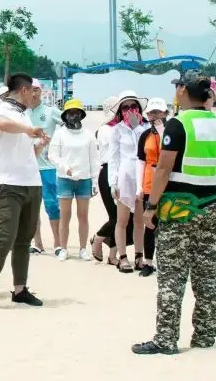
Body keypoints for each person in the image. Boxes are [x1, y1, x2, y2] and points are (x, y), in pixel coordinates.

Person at [133, 71, 216, 355]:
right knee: (206, 275)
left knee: (172, 277)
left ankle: (165, 339)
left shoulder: (178, 124)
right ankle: (205, 335)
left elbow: (163, 169)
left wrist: (151, 206)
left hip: (179, 208)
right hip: (210, 204)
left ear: (184, 91)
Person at [0, 73, 47, 309]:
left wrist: (40, 145)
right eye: (33, 91)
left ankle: (20, 289)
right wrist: (28, 130)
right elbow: (2, 125)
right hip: (9, 184)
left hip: (32, 182)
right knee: (4, 238)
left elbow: (28, 153)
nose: (35, 95)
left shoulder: (24, 114)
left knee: (24, 240)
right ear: (23, 90)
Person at [47, 98, 99, 261]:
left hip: (84, 180)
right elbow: (52, 155)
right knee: (65, 215)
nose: (74, 115)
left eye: (77, 112)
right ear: (65, 115)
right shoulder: (60, 133)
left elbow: (94, 159)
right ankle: (63, 248)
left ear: (81, 115)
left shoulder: (88, 135)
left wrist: (95, 182)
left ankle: (83, 249)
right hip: (65, 179)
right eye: (70, 113)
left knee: (83, 216)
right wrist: (64, 167)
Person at [108, 90, 148, 273]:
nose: (130, 110)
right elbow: (113, 158)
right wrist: (113, 182)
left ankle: (139, 256)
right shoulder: (117, 130)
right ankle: (122, 257)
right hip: (124, 176)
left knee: (139, 220)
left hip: (141, 175)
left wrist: (137, 127)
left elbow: (145, 149)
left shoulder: (146, 128)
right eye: (125, 107)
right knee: (122, 220)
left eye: (133, 106)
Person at [26, 80, 63, 256]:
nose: (33, 94)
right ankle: (38, 243)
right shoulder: (21, 114)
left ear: (41, 92)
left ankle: (58, 242)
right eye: (30, 90)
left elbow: (70, 124)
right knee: (31, 208)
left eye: (36, 90)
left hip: (48, 167)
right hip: (28, 167)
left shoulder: (51, 111)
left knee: (52, 205)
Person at [134, 98, 169, 277]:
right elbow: (140, 161)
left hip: (168, 184)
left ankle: (167, 262)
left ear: (165, 113)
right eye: (151, 113)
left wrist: (162, 131)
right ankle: (148, 262)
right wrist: (139, 186)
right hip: (149, 184)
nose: (154, 116)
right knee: (150, 223)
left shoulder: (171, 132)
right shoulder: (145, 135)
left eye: (157, 112)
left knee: (168, 224)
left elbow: (168, 151)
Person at [91, 96, 124, 264]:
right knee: (116, 216)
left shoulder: (122, 127)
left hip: (122, 171)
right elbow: (115, 149)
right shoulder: (105, 129)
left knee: (121, 218)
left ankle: (113, 255)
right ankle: (97, 238)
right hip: (108, 172)